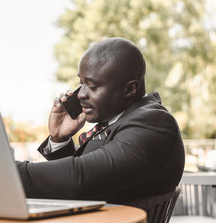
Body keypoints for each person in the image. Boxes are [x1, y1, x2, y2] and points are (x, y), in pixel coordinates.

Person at [16, 37, 185, 204]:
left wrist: (8, 172)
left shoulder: (154, 122)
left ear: (130, 89)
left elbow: (81, 179)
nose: (81, 93)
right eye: (81, 83)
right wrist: (60, 139)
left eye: (92, 85)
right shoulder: (124, 122)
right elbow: (97, 171)